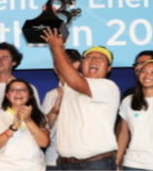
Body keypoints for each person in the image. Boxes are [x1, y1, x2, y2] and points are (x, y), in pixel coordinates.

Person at [41, 28, 120, 171]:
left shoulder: (108, 87)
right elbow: (62, 67)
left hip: (96, 164)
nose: (94, 59)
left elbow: (72, 77)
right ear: (81, 65)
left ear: (109, 69)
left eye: (101, 58)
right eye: (89, 57)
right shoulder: (70, 86)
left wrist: (57, 47)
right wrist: (52, 22)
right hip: (64, 164)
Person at [0, 42, 41, 171]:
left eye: (5, 57)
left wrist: (16, 90)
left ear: (14, 62)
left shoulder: (27, 89)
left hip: (22, 152)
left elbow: (36, 117)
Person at [117, 59, 153, 171]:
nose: (147, 74)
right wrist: (117, 162)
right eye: (143, 71)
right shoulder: (128, 101)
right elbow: (123, 135)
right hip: (132, 164)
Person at [0, 79, 49, 171]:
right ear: (7, 95)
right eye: (13, 90)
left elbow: (44, 143)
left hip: (33, 168)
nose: (18, 93)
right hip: (0, 168)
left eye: (23, 90)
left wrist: (28, 120)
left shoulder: (40, 116)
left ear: (29, 95)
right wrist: (13, 127)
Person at [42, 49, 81, 171]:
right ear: (55, 68)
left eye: (69, 65)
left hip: (86, 159)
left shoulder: (90, 91)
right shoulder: (51, 95)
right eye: (62, 65)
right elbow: (43, 128)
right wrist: (55, 110)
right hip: (54, 158)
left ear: (77, 66)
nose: (66, 69)